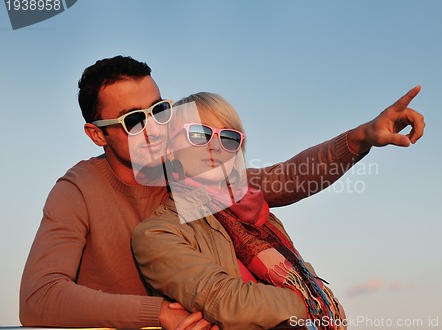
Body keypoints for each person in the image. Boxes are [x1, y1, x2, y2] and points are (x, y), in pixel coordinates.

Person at [19, 55, 424, 329]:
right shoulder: (77, 191)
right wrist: (157, 312)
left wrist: (362, 137)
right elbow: (38, 298)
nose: (156, 127)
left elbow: (288, 177)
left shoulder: (190, 172)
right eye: (132, 120)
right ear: (96, 134)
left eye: (159, 110)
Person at [132, 92, 349, 330]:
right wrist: (312, 300)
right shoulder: (158, 232)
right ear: (170, 149)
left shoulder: (260, 216)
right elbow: (230, 302)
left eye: (229, 138)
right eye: (199, 134)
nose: (216, 146)